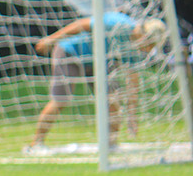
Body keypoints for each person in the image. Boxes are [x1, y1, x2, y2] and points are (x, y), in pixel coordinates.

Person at [25, 14, 167, 153]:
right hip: (70, 51)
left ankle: (110, 145)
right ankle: (36, 144)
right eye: (151, 45)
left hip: (97, 61)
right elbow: (80, 25)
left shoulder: (134, 48)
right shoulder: (116, 23)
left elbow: (132, 82)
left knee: (113, 100)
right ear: (145, 36)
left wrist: (132, 115)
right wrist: (51, 39)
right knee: (60, 100)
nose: (149, 50)